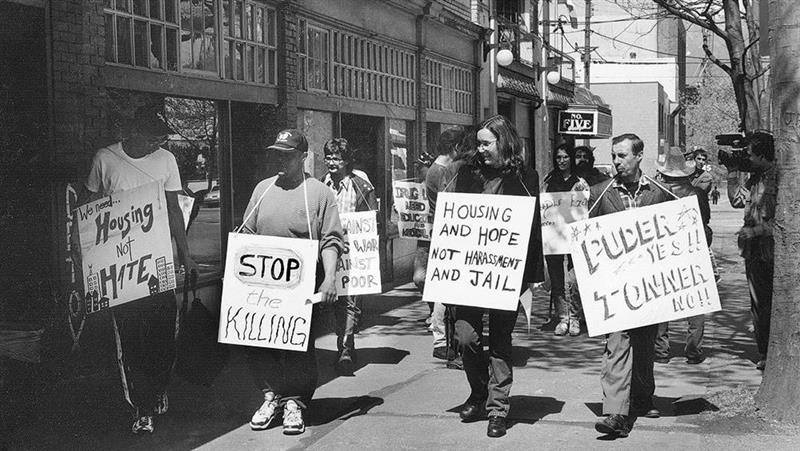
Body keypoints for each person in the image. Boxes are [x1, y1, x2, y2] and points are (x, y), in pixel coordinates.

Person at [78, 108, 198, 434]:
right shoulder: (105, 159)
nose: (155, 145)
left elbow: (174, 209)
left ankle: (158, 389)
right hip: (121, 271)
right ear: (132, 132)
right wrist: (88, 261)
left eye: (160, 139)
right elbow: (89, 210)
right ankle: (141, 406)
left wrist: (185, 255)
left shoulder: (167, 161)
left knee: (162, 334)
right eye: (150, 138)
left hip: (157, 264)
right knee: (131, 338)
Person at [445, 115, 543, 438]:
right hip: (468, 274)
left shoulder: (526, 178)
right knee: (465, 336)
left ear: (504, 142)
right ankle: (478, 392)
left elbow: (533, 229)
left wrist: (532, 274)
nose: (481, 149)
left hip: (507, 275)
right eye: (479, 143)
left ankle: (498, 409)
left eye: (487, 143)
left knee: (500, 341)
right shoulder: (466, 173)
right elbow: (454, 222)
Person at [243, 129, 344, 435]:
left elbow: (331, 240)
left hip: (302, 283)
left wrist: (329, 279)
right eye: (277, 154)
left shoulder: (319, 193)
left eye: (287, 155)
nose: (281, 160)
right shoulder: (263, 189)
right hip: (263, 283)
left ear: (303, 158)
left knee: (298, 345)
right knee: (262, 342)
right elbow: (247, 233)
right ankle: (270, 397)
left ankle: (295, 403)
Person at [590, 133, 673, 438]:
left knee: (644, 343)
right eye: (614, 156)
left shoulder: (659, 193)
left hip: (649, 284)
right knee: (617, 343)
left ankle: (642, 397)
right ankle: (615, 412)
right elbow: (585, 236)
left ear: (639, 156)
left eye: (622, 155)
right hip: (614, 286)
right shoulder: (600, 193)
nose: (616, 161)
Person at [414, 126, 471, 369]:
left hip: (442, 233)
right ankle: (444, 341)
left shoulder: (435, 169)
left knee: (444, 289)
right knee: (448, 291)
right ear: (456, 148)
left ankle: (443, 339)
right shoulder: (445, 171)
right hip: (449, 234)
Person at [320, 138, 378, 375]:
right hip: (326, 254)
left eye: (336, 159)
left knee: (349, 303)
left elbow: (371, 223)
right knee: (332, 303)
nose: (331, 163)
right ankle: (343, 340)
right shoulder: (319, 186)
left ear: (346, 161)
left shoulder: (361, 187)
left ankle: (345, 348)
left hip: (352, 256)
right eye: (328, 158)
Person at [652, 146, 712, 366]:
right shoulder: (697, 194)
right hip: (692, 251)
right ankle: (694, 350)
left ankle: (660, 350)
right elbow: (705, 220)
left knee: (661, 299)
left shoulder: (656, 194)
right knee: (695, 301)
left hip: (663, 253)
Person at [725, 131, 776, 371]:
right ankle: (764, 351)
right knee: (758, 304)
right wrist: (732, 172)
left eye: (750, 154)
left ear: (763, 155)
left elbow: (787, 219)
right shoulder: (754, 178)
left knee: (773, 304)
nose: (747, 158)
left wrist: (756, 231)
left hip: (773, 252)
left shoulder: (780, 178)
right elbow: (737, 200)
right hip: (754, 253)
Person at [542, 144, 588, 336]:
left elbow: (585, 205)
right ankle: (563, 318)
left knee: (574, 279)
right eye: (558, 157)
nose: (561, 161)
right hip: (553, 236)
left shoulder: (580, 182)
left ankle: (575, 317)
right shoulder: (548, 180)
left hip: (574, 236)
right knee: (557, 280)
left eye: (565, 157)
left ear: (571, 159)